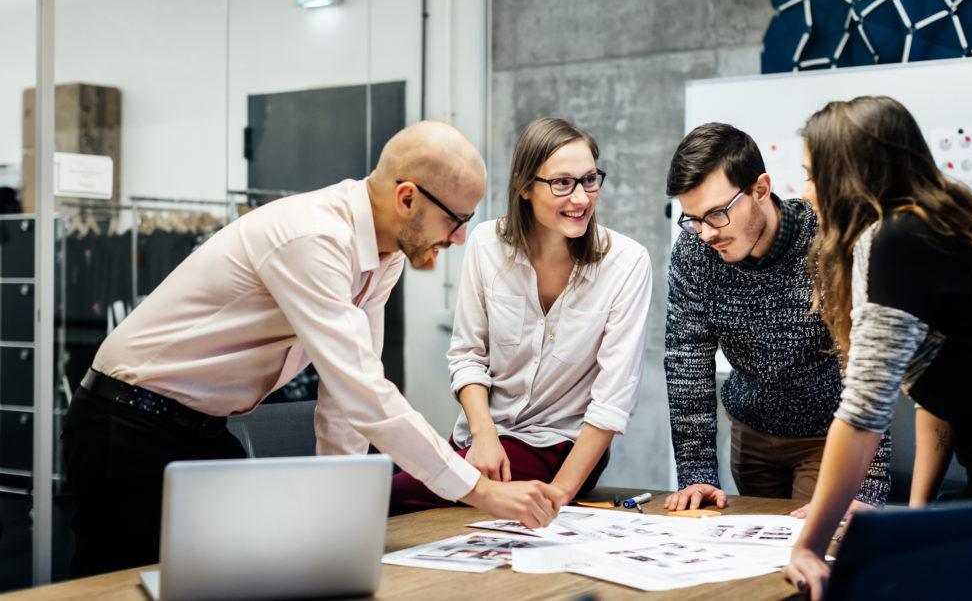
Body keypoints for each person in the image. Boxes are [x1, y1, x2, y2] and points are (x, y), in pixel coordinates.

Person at [60, 121, 562, 577]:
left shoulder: (384, 258)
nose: (459, 239)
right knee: (116, 586)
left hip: (200, 429)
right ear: (406, 198)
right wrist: (481, 491)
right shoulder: (315, 238)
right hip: (125, 421)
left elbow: (345, 399)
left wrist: (337, 512)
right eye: (455, 220)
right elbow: (364, 391)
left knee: (235, 579)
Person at [785, 96, 972, 598]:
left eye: (812, 174)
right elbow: (943, 388)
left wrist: (809, 545)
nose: (806, 193)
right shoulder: (952, 225)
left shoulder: (896, 239)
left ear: (847, 174)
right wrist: (920, 515)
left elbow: (862, 414)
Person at [390, 117, 653, 513]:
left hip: (560, 448)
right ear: (525, 186)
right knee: (394, 486)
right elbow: (467, 355)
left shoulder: (627, 262)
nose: (581, 198)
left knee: (388, 494)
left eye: (590, 179)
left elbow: (613, 399)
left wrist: (561, 493)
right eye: (562, 183)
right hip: (481, 440)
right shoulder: (485, 245)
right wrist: (483, 436)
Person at [662, 122, 890, 514]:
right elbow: (687, 360)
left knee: (815, 547)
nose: (705, 234)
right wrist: (697, 471)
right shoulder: (694, 252)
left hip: (828, 434)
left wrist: (867, 489)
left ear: (760, 189)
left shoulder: (827, 243)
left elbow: (865, 367)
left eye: (716, 214)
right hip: (750, 433)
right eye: (693, 218)